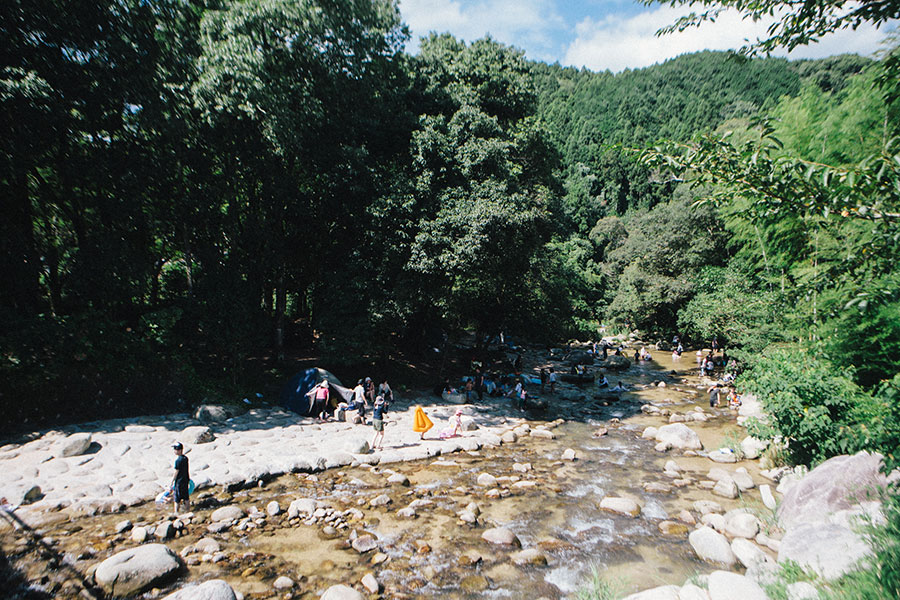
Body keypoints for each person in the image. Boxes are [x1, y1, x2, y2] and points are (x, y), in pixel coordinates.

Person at [170, 442, 190, 516]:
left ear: (179, 450)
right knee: (186, 497)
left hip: (179, 481)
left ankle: (176, 513)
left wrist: (172, 481)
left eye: (175, 449)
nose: (174, 451)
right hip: (185, 480)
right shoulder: (185, 458)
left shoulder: (178, 461)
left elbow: (176, 471)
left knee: (177, 498)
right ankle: (188, 511)